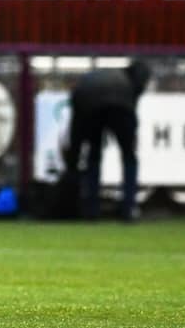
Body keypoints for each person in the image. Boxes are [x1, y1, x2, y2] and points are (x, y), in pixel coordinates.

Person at [65, 59, 152, 222]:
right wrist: (131, 136)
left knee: (94, 154)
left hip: (89, 104)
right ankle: (129, 208)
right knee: (128, 157)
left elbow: (76, 130)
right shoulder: (128, 83)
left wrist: (72, 161)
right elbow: (131, 112)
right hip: (117, 106)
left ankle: (91, 210)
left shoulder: (101, 78)